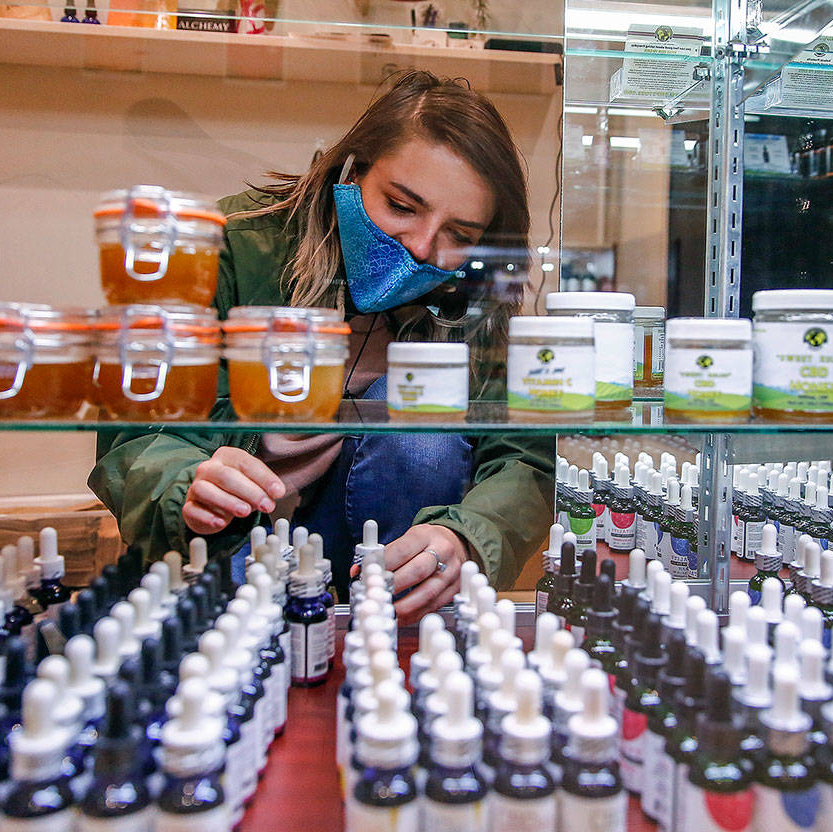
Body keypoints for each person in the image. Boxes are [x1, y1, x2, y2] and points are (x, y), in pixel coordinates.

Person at [90, 70, 552, 621]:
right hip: (237, 544)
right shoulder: (231, 246)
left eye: (459, 235)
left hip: (393, 581)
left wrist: (468, 540)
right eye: (402, 206)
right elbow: (137, 432)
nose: (422, 248)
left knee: (422, 435)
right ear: (352, 170)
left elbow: (524, 460)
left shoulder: (473, 293)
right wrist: (189, 482)